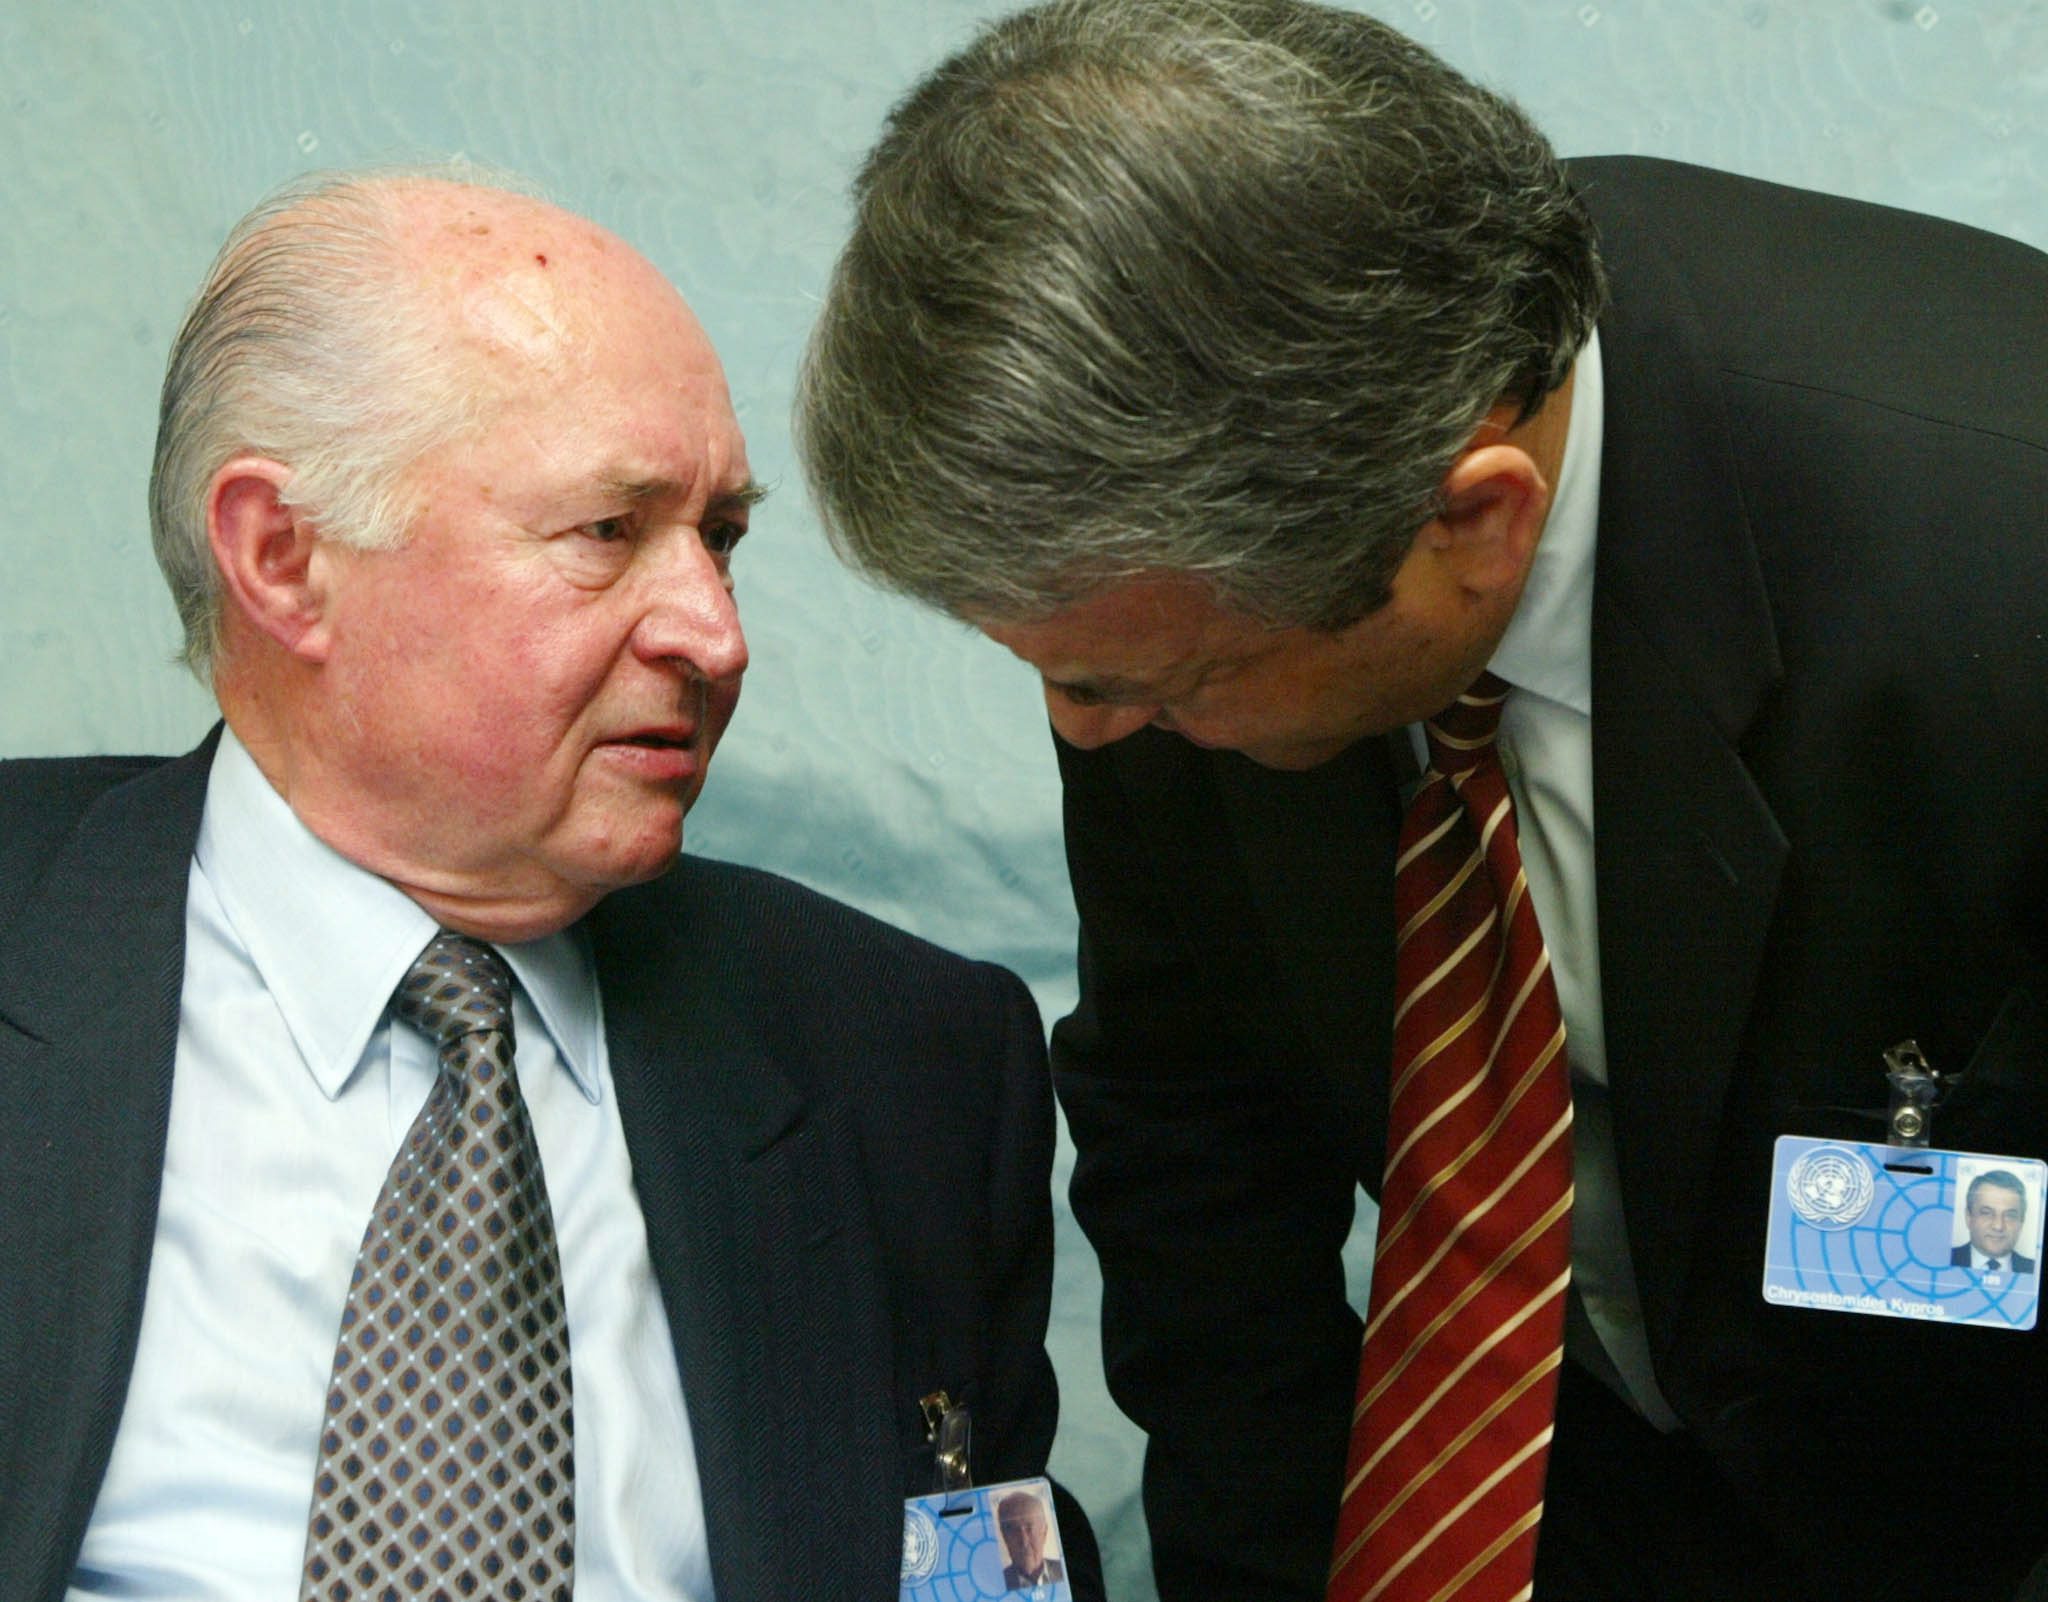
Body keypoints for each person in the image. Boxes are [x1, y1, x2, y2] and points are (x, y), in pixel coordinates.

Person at [793, 2, 2048, 1598]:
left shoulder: (2001, 556)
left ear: (1474, 521)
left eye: (1158, 686)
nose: (1088, 731)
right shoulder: (1163, 519)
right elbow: (1204, 1147)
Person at [0, 167, 1101, 1602]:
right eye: (607, 532)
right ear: (282, 556)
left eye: (723, 538)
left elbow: (984, 1567)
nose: (715, 632)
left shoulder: (907, 1058)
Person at [1953, 1172, 2037, 1275]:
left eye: (2009, 1215)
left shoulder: (2036, 1270)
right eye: (1987, 1213)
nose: (1998, 1226)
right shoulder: (1945, 1259)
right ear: (1968, 1217)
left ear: (2021, 1222)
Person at [997, 1487, 1066, 1590]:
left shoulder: (1066, 1571)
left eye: (1029, 1529)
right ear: (1004, 1537)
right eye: (1014, 1531)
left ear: (1044, 1532)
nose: (1024, 1542)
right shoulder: (995, 1583)